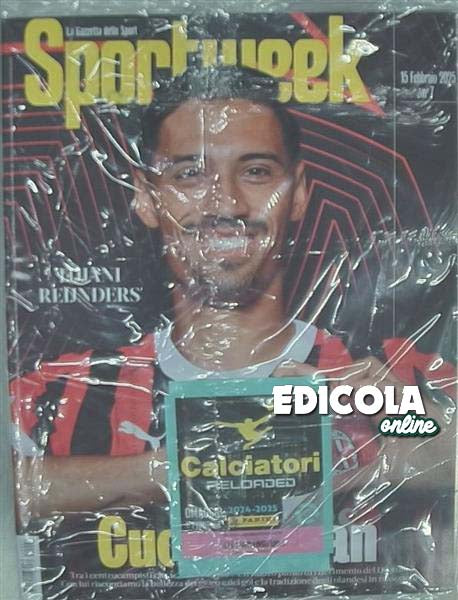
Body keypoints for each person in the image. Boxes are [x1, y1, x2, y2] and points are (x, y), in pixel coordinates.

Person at [11, 67, 455, 525]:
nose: (226, 204)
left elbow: (448, 456)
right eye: (190, 174)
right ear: (146, 195)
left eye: (256, 172)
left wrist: (398, 434)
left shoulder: (395, 376)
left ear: (299, 192)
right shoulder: (63, 391)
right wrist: (200, 470)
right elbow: (15, 486)